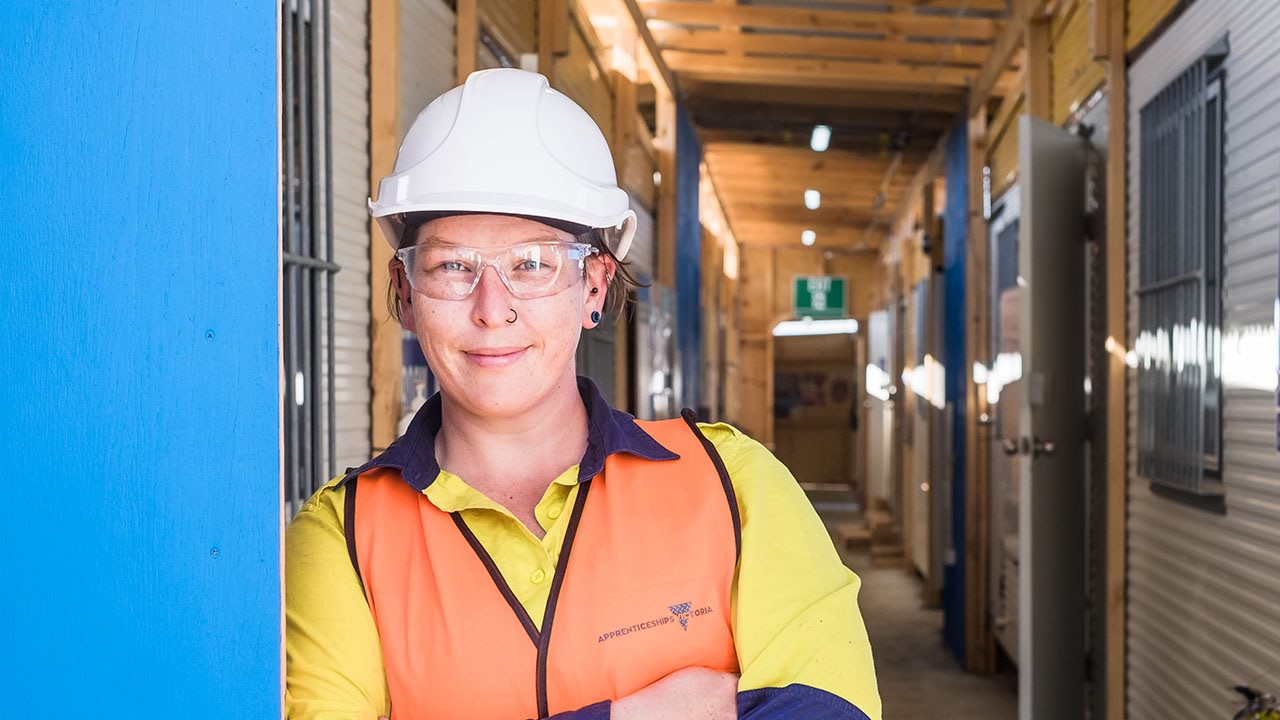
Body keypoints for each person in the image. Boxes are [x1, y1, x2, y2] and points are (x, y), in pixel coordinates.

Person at [285, 68, 881, 720]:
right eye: (452, 265)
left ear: (594, 288)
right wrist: (633, 716)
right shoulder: (343, 536)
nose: (493, 310)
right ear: (406, 294)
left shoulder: (732, 484)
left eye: (532, 264)